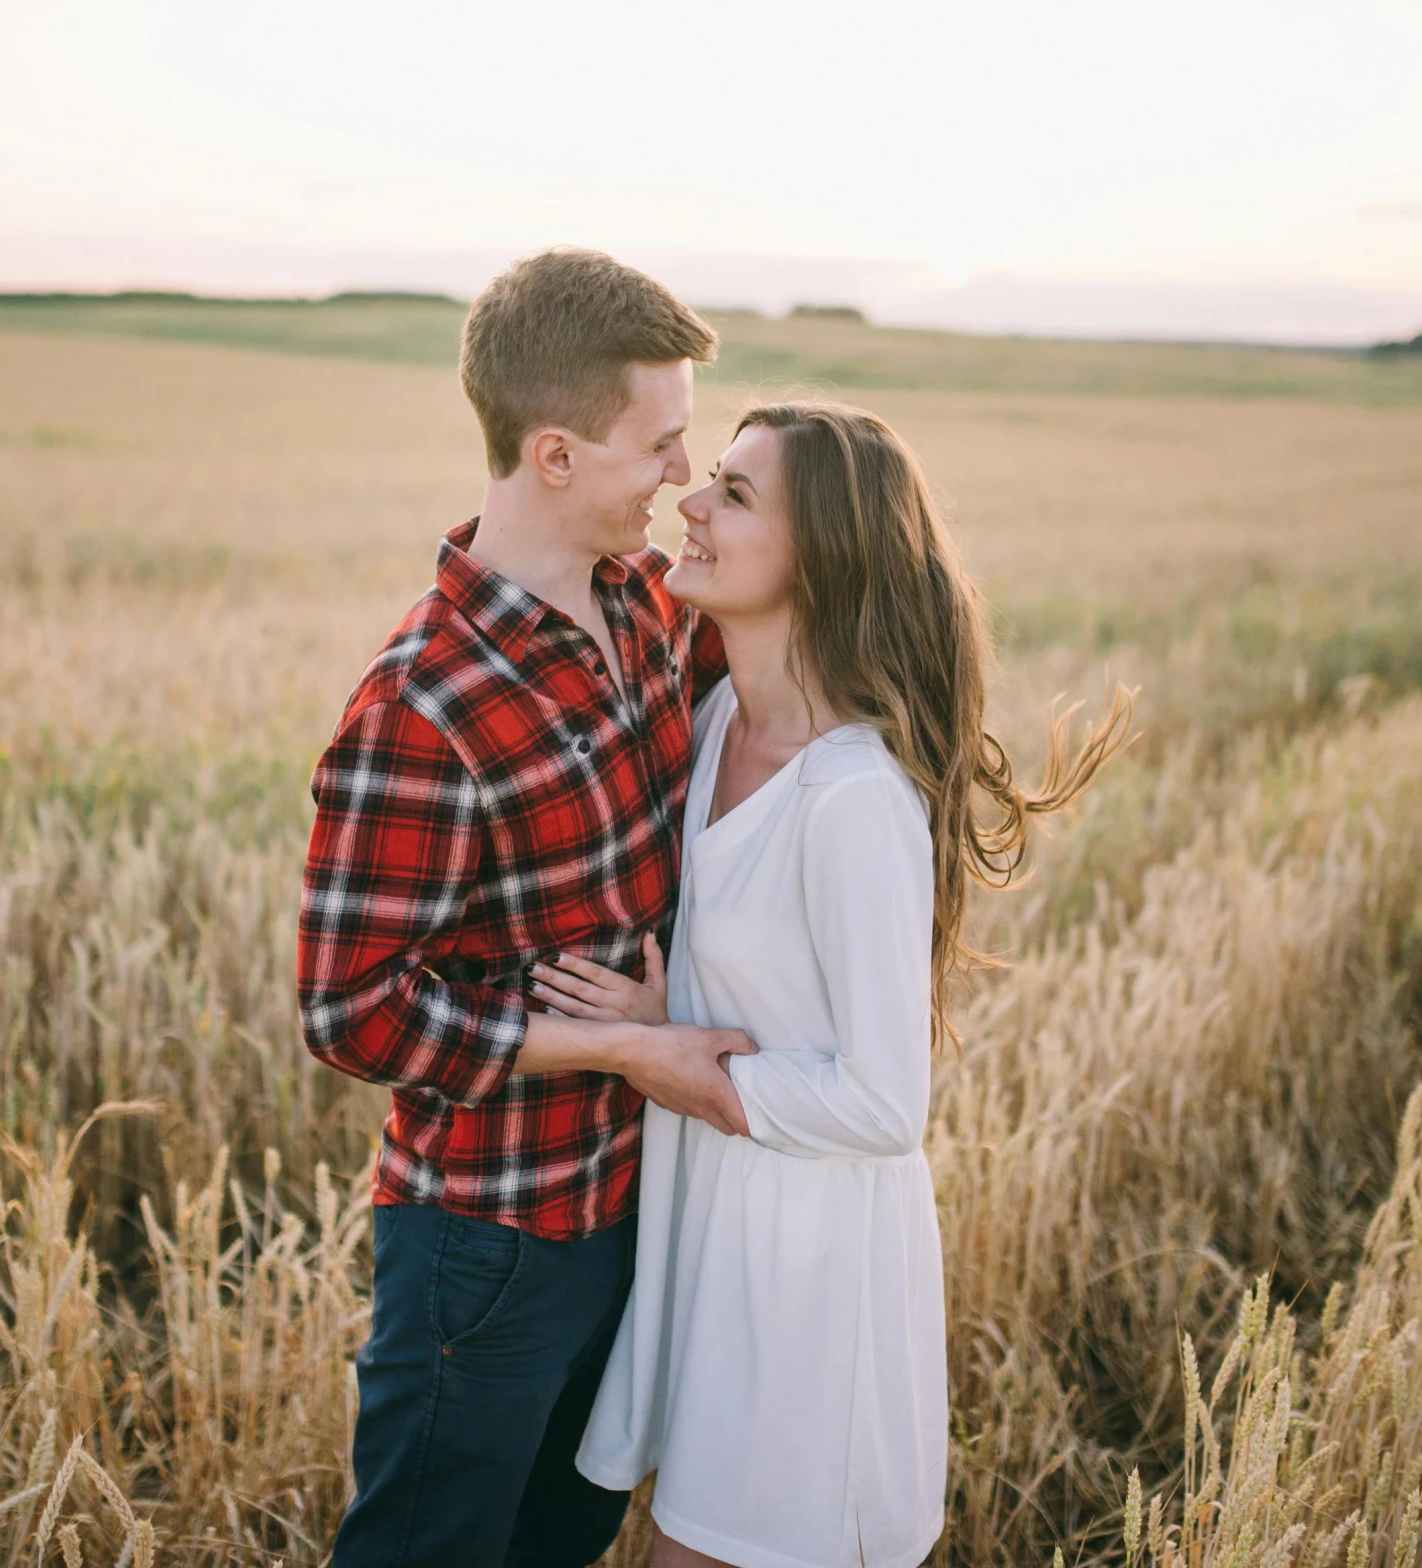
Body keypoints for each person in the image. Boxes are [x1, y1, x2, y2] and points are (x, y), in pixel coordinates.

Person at [540, 402, 1134, 1568]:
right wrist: (667, 1029)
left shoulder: (853, 794)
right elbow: (751, 997)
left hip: (806, 1274)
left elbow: (880, 1100)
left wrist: (669, 1060)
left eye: (736, 495)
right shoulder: (714, 721)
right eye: (709, 478)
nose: (690, 506)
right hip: (712, 1227)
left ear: (827, 558)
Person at [298, 247, 757, 1568]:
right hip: (487, 1240)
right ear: (551, 453)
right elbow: (350, 1011)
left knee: (561, 1542)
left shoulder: (650, 612)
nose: (682, 477)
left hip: (637, 1207)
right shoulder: (423, 703)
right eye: (659, 446)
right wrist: (620, 1044)